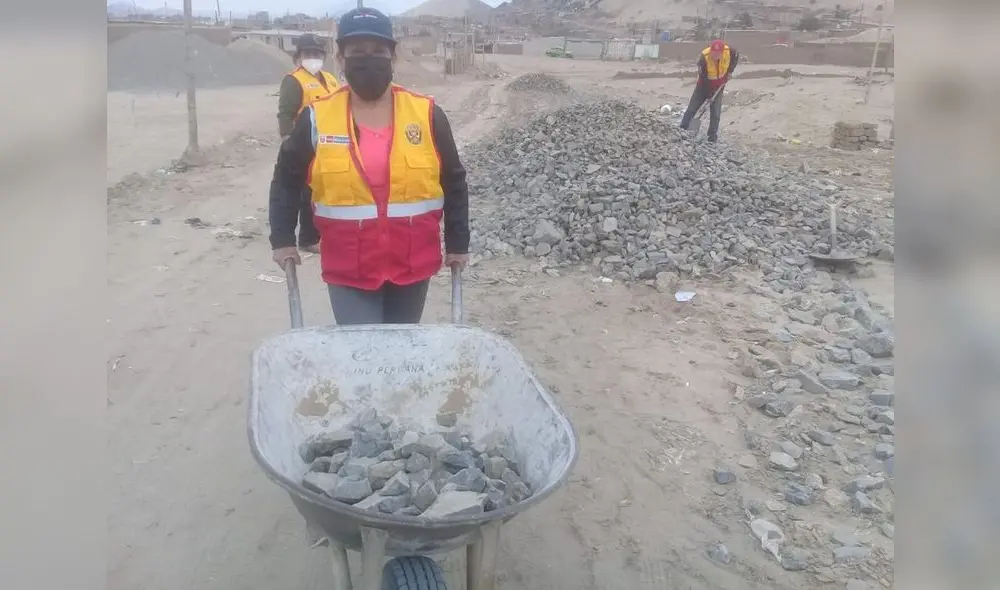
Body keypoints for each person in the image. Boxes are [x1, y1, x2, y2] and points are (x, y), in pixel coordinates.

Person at [268, 7, 470, 326]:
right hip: (350, 269)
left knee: (399, 353)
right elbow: (286, 180)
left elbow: (454, 181)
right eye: (357, 52)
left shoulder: (427, 115)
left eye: (378, 52)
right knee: (362, 356)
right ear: (341, 56)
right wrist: (282, 239)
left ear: (393, 56)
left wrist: (458, 244)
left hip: (412, 265)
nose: (368, 60)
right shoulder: (317, 118)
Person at [277, 33, 340, 254]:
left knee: (321, 188)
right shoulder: (294, 80)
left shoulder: (330, 79)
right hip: (303, 144)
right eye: (308, 54)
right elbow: (286, 114)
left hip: (328, 143)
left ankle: (319, 231)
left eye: (316, 54)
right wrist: (288, 143)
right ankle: (307, 238)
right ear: (299, 57)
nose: (313, 57)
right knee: (306, 191)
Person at [679, 39, 739, 142]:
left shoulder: (730, 51)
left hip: (719, 86)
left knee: (715, 113)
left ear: (722, 52)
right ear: (710, 50)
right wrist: (710, 95)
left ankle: (712, 138)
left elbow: (736, 57)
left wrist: (730, 71)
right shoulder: (704, 58)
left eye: (717, 53)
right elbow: (704, 78)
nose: (714, 55)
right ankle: (681, 130)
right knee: (692, 109)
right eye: (713, 53)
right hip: (703, 86)